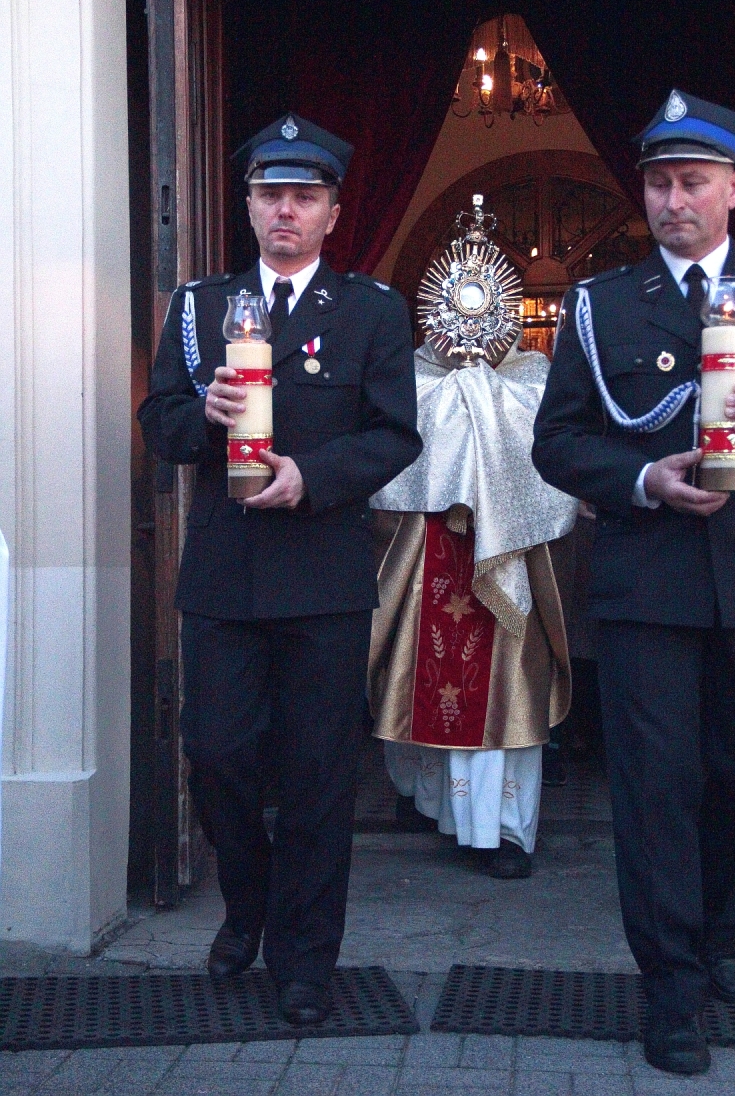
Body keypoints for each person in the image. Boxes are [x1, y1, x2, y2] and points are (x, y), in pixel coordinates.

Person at [532, 90, 735, 1076]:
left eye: (691, 182)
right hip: (647, 581)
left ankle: (716, 918)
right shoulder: (602, 305)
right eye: (657, 183)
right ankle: (671, 989)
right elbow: (557, 441)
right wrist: (643, 477)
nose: (671, 200)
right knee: (655, 793)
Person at [138, 113, 422, 1026]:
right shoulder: (201, 309)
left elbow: (395, 436)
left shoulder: (371, 311)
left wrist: (312, 477)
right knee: (216, 755)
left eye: (304, 197)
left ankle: (305, 960)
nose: (285, 211)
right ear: (249, 205)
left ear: (333, 212)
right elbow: (159, 423)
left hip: (322, 576)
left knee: (317, 778)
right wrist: (205, 416)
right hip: (224, 577)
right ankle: (248, 902)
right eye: (270, 195)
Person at [368, 198, 576, 879]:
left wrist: (488, 419)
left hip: (508, 559)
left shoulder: (532, 384)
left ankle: (504, 830)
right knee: (424, 682)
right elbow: (385, 466)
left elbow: (553, 472)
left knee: (505, 698)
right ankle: (430, 802)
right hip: (428, 554)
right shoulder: (410, 383)